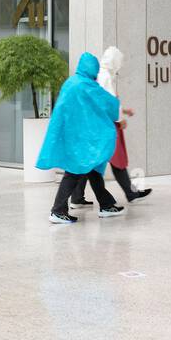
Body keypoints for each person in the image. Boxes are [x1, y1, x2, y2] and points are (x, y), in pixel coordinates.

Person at [36, 52, 124, 224]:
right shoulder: (87, 85)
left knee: (91, 170)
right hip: (81, 140)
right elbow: (108, 103)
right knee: (74, 173)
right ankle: (58, 210)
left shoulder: (71, 83)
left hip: (72, 136)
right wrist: (117, 107)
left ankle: (106, 204)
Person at [71, 46, 151, 207]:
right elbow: (107, 102)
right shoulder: (105, 76)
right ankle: (127, 195)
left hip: (100, 124)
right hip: (105, 125)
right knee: (115, 159)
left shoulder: (101, 74)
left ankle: (77, 197)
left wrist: (123, 110)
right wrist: (120, 119)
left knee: (92, 162)